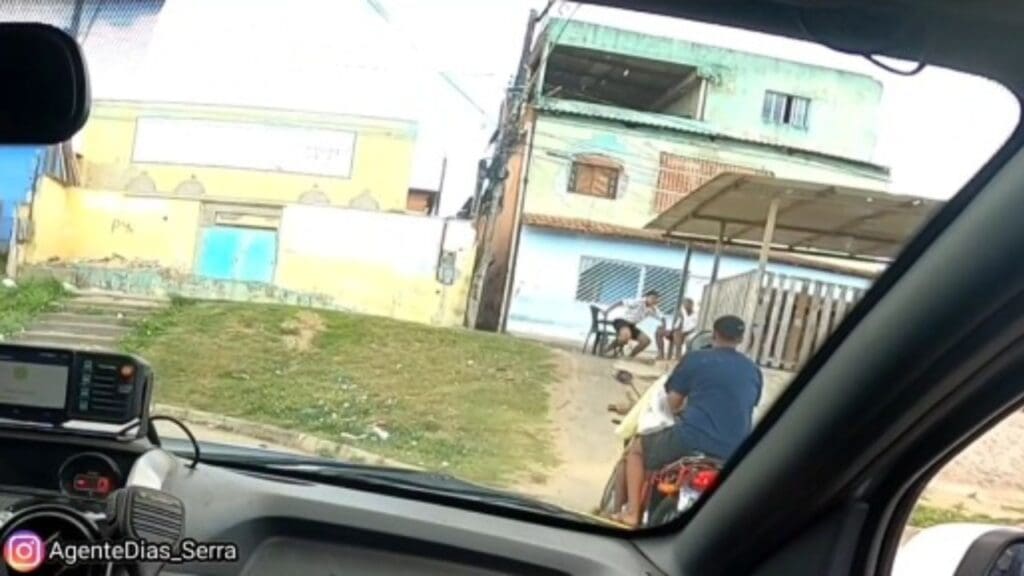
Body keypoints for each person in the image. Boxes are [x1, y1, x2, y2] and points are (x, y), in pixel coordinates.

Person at [610, 315, 763, 527]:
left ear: (714, 334)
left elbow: (671, 404)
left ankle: (632, 513)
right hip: (736, 451)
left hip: (690, 439)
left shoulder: (696, 359)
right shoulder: (754, 371)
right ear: (741, 338)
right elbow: (743, 406)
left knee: (637, 450)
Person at [603, 290, 665, 359]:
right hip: (622, 321)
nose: (654, 300)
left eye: (656, 299)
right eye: (652, 298)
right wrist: (607, 310)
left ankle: (629, 357)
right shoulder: (638, 301)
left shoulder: (653, 309)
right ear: (646, 297)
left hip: (632, 326)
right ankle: (607, 349)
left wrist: (663, 327)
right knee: (625, 336)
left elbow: (662, 317)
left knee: (646, 341)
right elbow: (621, 302)